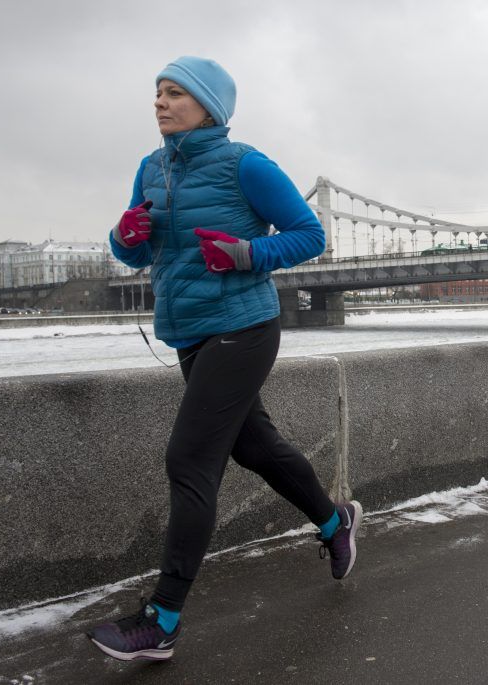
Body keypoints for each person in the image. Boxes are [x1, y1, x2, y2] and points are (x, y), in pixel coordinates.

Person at [87, 56, 362, 662]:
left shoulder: (247, 165)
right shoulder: (151, 168)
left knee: (190, 457)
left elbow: (309, 235)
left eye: (175, 93)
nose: (159, 103)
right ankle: (334, 522)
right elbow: (134, 254)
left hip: (244, 326)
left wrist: (244, 254)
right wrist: (123, 236)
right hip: (189, 332)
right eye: (157, 92)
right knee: (253, 446)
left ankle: (161, 621)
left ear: (209, 106)